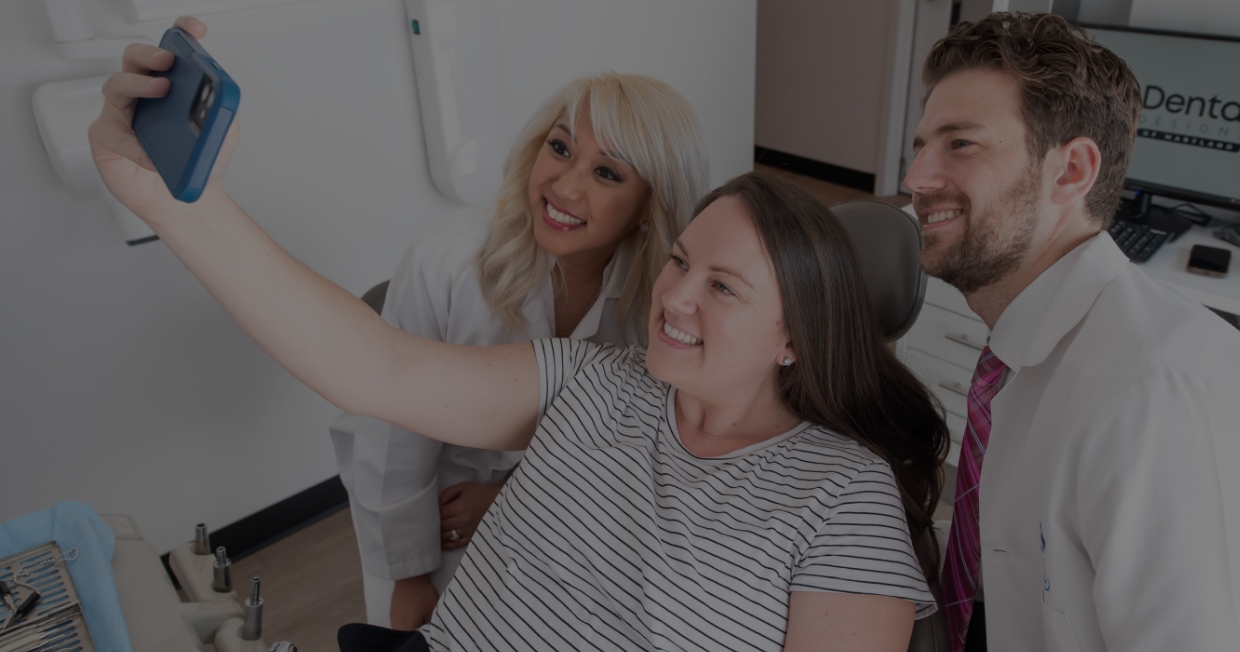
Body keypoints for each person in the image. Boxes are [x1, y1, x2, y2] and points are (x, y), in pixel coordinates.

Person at [91, 17, 949, 650]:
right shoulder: (593, 377)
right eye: (682, 263)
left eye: (721, 286)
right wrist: (169, 203)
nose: (674, 296)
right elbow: (371, 369)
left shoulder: (840, 497)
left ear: (791, 338)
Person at [905, 12, 1240, 651]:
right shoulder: (1031, 350)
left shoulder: (1152, 406)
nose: (916, 178)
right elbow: (1017, 546)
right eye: (922, 145)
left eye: (961, 144)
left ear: (1071, 171)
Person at [327, 72, 710, 631]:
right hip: (420, 508)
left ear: (651, 205)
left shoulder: (660, 302)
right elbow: (392, 436)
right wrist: (408, 574)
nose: (565, 187)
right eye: (560, 148)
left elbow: (633, 445)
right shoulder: (447, 263)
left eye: (607, 173)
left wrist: (509, 500)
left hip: (556, 507)